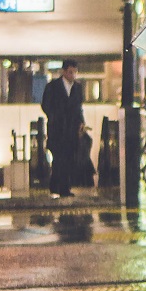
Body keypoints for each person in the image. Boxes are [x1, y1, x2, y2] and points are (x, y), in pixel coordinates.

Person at [41, 59, 85, 197]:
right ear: (64, 72)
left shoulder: (77, 88)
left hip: (71, 129)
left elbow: (79, 108)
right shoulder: (52, 87)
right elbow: (45, 105)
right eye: (71, 72)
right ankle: (58, 187)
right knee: (59, 158)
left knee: (69, 158)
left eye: (75, 72)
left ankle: (62, 187)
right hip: (57, 129)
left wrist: (81, 123)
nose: (73, 75)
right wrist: (55, 116)